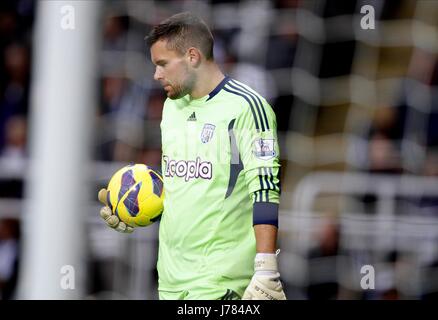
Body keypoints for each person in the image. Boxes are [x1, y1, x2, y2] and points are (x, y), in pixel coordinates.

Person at [98, 12, 286, 300]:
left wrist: (265, 268)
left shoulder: (248, 107)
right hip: (171, 282)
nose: (156, 75)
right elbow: (188, 187)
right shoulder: (172, 108)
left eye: (162, 64)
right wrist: (136, 207)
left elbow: (265, 189)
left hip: (223, 283)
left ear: (193, 57)